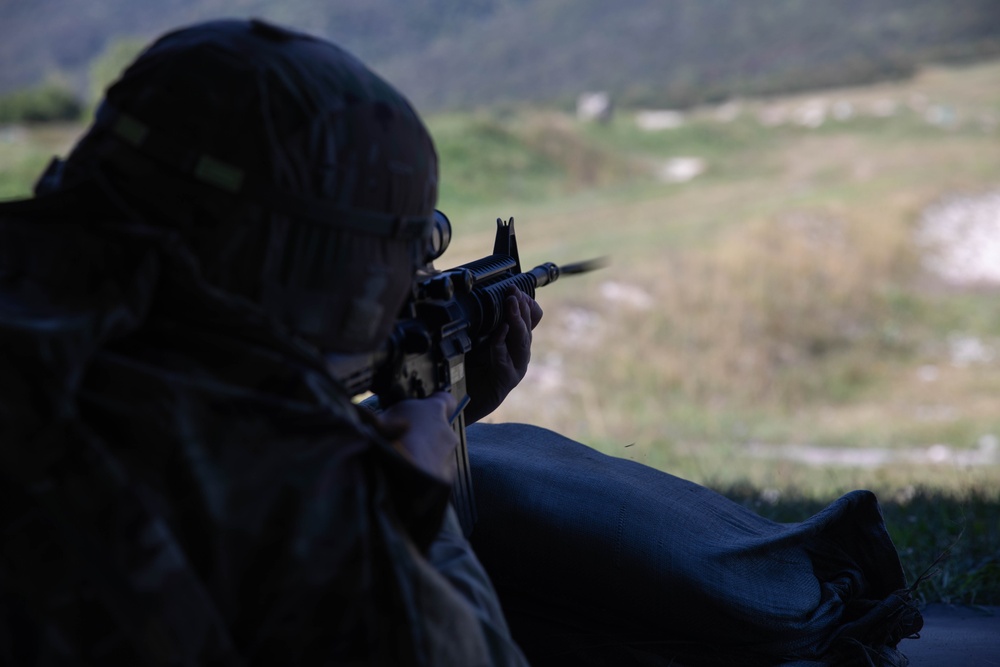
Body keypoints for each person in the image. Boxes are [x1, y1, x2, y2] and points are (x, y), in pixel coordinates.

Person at [0, 18, 921, 667]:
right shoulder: (307, 492)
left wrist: (450, 406)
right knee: (520, 488)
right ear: (304, 258)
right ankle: (826, 591)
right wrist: (419, 490)